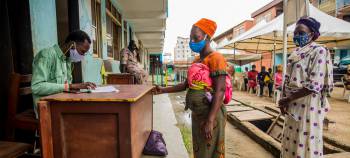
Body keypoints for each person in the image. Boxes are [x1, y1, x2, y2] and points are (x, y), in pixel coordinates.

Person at [155, 18, 227, 158]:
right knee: (199, 151)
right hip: (198, 115)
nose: (192, 41)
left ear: (207, 37)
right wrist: (163, 90)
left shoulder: (216, 58)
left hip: (211, 115)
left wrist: (210, 120)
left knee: (211, 152)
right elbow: (186, 85)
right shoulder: (196, 61)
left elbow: (220, 90)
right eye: (191, 38)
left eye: (196, 37)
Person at [278, 17, 333, 158]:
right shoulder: (295, 53)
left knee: (306, 140)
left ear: (312, 34)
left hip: (308, 105)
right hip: (292, 105)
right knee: (291, 142)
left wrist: (288, 98)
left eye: (301, 32)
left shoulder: (319, 51)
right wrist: (284, 99)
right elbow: (288, 79)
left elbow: (314, 84)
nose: (296, 36)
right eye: (295, 32)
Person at [31, 30, 96, 116]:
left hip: (60, 105)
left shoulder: (67, 61)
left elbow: (65, 87)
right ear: (72, 44)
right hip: (46, 108)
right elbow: (36, 87)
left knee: (89, 110)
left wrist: (80, 89)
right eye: (82, 51)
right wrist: (70, 86)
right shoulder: (47, 55)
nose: (82, 56)